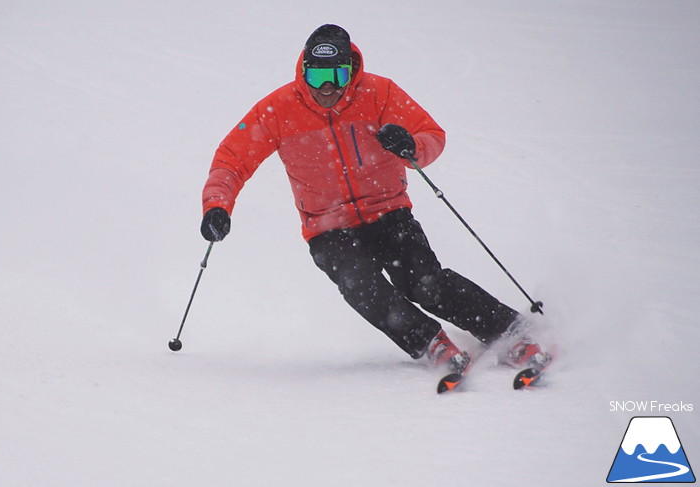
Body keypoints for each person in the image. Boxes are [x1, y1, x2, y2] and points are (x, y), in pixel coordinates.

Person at [200, 24, 548, 375]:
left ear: (351, 70)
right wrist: (217, 205)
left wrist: (411, 147)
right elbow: (232, 159)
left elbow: (431, 134)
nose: (327, 88)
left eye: (336, 75)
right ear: (303, 70)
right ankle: (430, 342)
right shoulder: (277, 110)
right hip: (328, 227)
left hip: (389, 213)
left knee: (424, 283)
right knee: (360, 285)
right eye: (318, 75)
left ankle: (510, 331)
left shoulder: (379, 94)